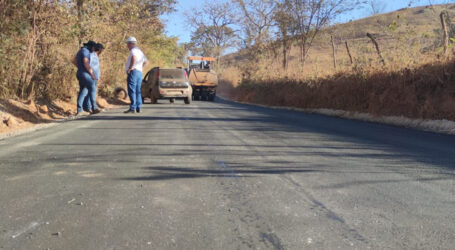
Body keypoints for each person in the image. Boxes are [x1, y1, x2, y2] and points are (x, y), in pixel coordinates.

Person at [73, 40, 97, 116]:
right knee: (93, 88)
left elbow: (74, 61)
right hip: (85, 74)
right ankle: (94, 108)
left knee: (83, 90)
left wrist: (80, 68)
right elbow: (86, 63)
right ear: (91, 47)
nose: (93, 50)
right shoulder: (86, 51)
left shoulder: (80, 51)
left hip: (79, 73)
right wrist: (92, 74)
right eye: (93, 48)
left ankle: (80, 110)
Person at [124, 36, 148, 113]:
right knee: (138, 90)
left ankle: (133, 107)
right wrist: (141, 68)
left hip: (133, 72)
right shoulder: (140, 51)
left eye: (127, 44)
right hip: (139, 72)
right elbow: (146, 62)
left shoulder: (133, 51)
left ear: (131, 44)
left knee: (132, 89)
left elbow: (134, 58)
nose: (127, 46)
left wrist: (130, 67)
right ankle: (138, 106)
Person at [83, 43, 104, 114]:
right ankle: (92, 107)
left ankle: (87, 107)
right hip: (92, 76)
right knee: (92, 92)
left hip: (94, 76)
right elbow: (89, 65)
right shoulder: (92, 55)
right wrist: (92, 75)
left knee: (90, 92)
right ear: (99, 49)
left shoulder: (96, 56)